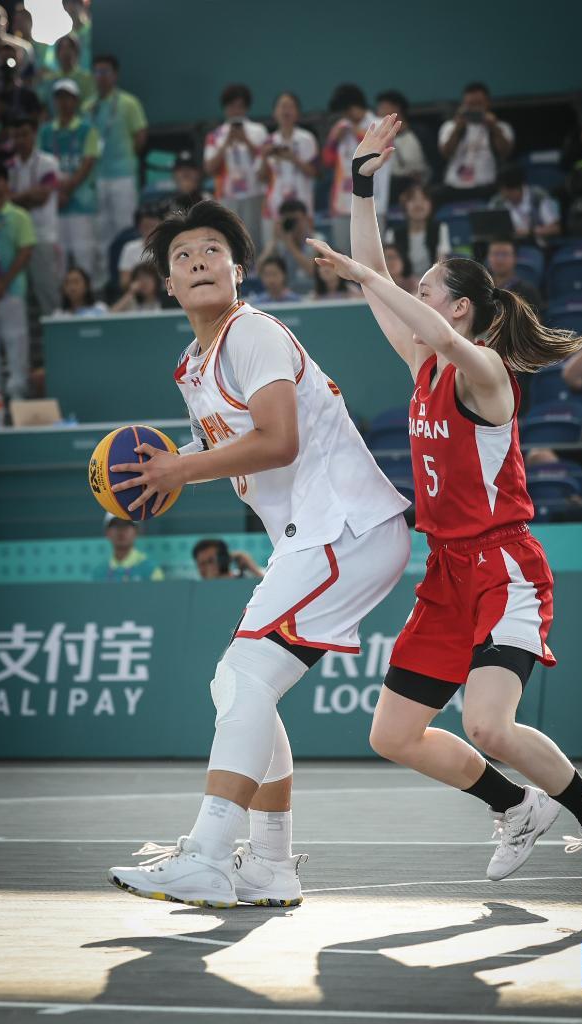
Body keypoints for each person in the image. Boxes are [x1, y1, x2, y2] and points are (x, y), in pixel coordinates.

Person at [308, 112, 582, 900]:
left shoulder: (484, 373)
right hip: (445, 570)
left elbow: (386, 289)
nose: (412, 297)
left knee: (488, 724)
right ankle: (514, 806)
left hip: (503, 567)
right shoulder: (421, 362)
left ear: (456, 309)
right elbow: (374, 268)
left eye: (426, 292)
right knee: (393, 734)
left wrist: (367, 280)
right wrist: (360, 185)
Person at [106, 198, 411, 909]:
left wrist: (179, 470)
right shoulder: (194, 365)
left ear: (238, 270)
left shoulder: (252, 332)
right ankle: (270, 864)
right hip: (315, 536)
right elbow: (226, 443)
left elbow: (279, 440)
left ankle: (208, 855)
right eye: (182, 256)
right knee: (240, 687)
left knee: (242, 678)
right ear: (168, 286)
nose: (198, 261)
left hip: (343, 526)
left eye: (212, 250)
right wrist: (167, 465)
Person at [84, 54, 148, 280]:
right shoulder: (88, 106)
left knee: (125, 227)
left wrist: (125, 158)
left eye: (105, 72)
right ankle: (104, 281)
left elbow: (140, 137)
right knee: (100, 231)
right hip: (97, 177)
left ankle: (128, 276)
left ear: (115, 75)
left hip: (123, 176)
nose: (100, 76)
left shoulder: (129, 103)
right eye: (97, 72)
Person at [39, 78, 100, 278]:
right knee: (59, 259)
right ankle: (62, 297)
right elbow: (41, 166)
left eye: (68, 98)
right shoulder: (46, 131)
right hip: (55, 206)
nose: (64, 103)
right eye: (59, 98)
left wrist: (66, 189)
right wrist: (57, 193)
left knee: (84, 255)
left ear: (76, 101)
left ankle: (88, 294)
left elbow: (88, 163)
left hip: (81, 204)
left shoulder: (87, 130)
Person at [323, 83, 390, 255]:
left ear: (353, 108)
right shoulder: (340, 129)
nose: (344, 117)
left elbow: (379, 152)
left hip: (373, 204)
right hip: (342, 205)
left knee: (372, 257)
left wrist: (355, 131)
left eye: (345, 112)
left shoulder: (380, 124)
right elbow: (327, 161)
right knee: (344, 257)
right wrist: (333, 140)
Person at [203, 83, 267, 254]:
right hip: (227, 195)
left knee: (255, 241)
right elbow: (209, 168)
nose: (236, 111)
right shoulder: (216, 135)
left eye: (240, 106)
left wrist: (246, 140)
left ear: (246, 108)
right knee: (231, 241)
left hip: (254, 193)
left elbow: (266, 162)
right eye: (231, 106)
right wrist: (225, 144)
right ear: (225, 108)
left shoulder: (258, 131)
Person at [0, 160, 35, 399]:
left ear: (7, 184)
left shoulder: (19, 216)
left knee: (16, 349)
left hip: (12, 291)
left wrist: (3, 283)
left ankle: (18, 402)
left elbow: (25, 251)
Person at [7, 114, 61, 314]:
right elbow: (4, 200)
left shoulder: (48, 162)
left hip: (42, 235)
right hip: (17, 239)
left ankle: (55, 327)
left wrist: (15, 198)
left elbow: (42, 197)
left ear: (34, 134)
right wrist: (29, 194)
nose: (21, 140)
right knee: (19, 294)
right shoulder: (9, 167)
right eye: (16, 136)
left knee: (46, 289)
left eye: (25, 134)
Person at [438, 82, 514, 201]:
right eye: (470, 105)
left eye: (478, 104)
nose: (474, 109)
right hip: (454, 187)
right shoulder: (450, 126)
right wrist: (458, 129)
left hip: (486, 187)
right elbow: (445, 153)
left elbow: (505, 153)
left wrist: (493, 127)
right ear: (463, 105)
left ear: (487, 103)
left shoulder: (501, 127)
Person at [260, 91, 318, 241]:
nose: (286, 111)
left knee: (305, 247)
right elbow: (261, 177)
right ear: (274, 112)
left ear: (298, 113)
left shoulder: (307, 139)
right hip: (275, 204)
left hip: (302, 204)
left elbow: (315, 172)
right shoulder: (268, 141)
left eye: (290, 106)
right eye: (282, 106)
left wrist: (293, 158)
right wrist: (264, 157)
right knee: (275, 249)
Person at [385, 183, 449, 279]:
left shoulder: (440, 228)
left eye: (424, 199)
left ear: (431, 205)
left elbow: (441, 262)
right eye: (412, 199)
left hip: (431, 281)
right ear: (404, 205)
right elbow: (390, 266)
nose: (418, 204)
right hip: (402, 283)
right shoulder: (392, 233)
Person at [375, 90, 430, 200]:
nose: (378, 112)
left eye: (383, 107)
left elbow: (435, 163)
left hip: (423, 187)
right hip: (392, 190)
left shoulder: (420, 133)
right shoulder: (378, 139)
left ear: (396, 108)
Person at [257, 197, 318, 294]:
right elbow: (259, 270)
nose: (292, 224)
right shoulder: (279, 244)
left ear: (306, 219)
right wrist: (274, 240)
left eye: (295, 220)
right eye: (288, 220)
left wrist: (291, 246)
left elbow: (313, 272)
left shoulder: (317, 241)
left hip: (312, 294)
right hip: (285, 297)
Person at [488, 164, 560, 244]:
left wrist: (529, 232)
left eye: (510, 191)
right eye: (502, 191)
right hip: (506, 244)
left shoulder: (540, 196)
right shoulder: (497, 202)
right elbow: (489, 229)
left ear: (520, 187)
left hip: (535, 244)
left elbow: (555, 228)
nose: (505, 195)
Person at [91, 515, 165, 581]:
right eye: (115, 525)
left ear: (136, 531)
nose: (121, 530)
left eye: (127, 524)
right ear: (107, 532)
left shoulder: (151, 569)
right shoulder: (99, 572)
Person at [38, 34, 94, 115]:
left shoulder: (87, 79)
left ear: (77, 52)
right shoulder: (48, 80)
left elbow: (89, 106)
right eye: (62, 48)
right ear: (57, 53)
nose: (66, 52)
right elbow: (44, 107)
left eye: (69, 48)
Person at [486, 239, 543, 313]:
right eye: (495, 254)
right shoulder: (481, 289)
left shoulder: (528, 291)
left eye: (505, 254)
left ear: (515, 258)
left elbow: (535, 319)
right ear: (488, 258)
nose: (500, 260)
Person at [117, 206, 161, 292]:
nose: (151, 231)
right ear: (139, 228)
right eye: (146, 227)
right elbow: (124, 282)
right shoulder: (130, 248)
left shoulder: (170, 247)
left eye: (154, 226)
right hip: (139, 293)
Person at [193, 538, 265, 580]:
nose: (208, 567)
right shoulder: (193, 588)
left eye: (210, 561)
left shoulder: (247, 577)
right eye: (202, 564)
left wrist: (254, 569)